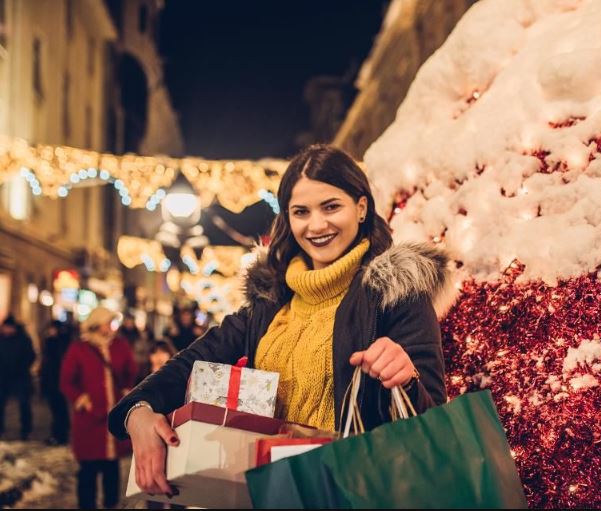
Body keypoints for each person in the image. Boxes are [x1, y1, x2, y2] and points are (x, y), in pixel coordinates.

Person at [108, 144, 455, 498]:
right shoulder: (269, 300)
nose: (316, 225)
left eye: (331, 206)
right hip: (270, 495)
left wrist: (405, 378)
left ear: (361, 207)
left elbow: (433, 428)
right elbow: (190, 362)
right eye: (301, 211)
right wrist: (138, 412)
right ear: (287, 218)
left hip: (353, 496)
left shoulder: (397, 293)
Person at [60, 307, 137, 509]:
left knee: (112, 467)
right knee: (88, 468)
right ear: (96, 323)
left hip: (113, 416)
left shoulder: (120, 346)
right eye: (107, 322)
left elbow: (131, 370)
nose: (111, 327)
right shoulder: (79, 348)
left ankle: (111, 504)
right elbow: (66, 381)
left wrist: (127, 390)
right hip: (89, 420)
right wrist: (82, 399)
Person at [0, 315, 35, 440]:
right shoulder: (1, 339)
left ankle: (26, 429)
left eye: (9, 327)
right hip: (3, 377)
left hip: (20, 377)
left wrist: (21, 367)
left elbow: (31, 355)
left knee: (24, 404)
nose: (7, 330)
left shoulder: (23, 339)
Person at [39, 319, 73, 445]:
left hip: (57, 381)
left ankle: (60, 435)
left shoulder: (60, 343)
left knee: (59, 409)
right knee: (56, 409)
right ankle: (57, 434)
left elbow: (56, 363)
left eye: (52, 329)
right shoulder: (51, 342)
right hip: (50, 381)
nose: (50, 331)